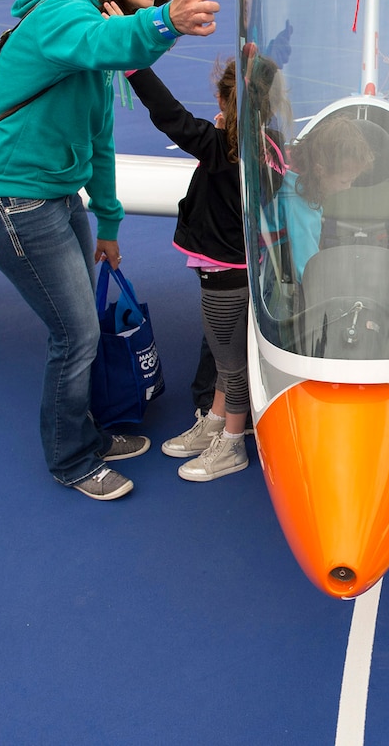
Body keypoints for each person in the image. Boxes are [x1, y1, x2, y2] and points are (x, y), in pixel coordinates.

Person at [0, 0, 237, 500]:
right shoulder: (62, 11)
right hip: (8, 197)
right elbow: (103, 41)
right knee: (75, 334)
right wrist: (168, 21)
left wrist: (107, 218)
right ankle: (72, 458)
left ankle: (85, 432)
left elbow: (99, 135)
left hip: (52, 195)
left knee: (78, 328)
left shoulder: (96, 27)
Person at [125, 55, 279, 481]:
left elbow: (168, 113)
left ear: (222, 99)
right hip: (242, 266)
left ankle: (232, 442)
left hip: (224, 274)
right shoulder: (269, 145)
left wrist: (135, 67)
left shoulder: (218, 147)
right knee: (222, 350)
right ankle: (215, 419)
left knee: (229, 360)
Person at [265, 116, 375, 284]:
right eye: (345, 181)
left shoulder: (287, 155)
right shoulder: (301, 203)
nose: (348, 187)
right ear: (320, 170)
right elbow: (308, 270)